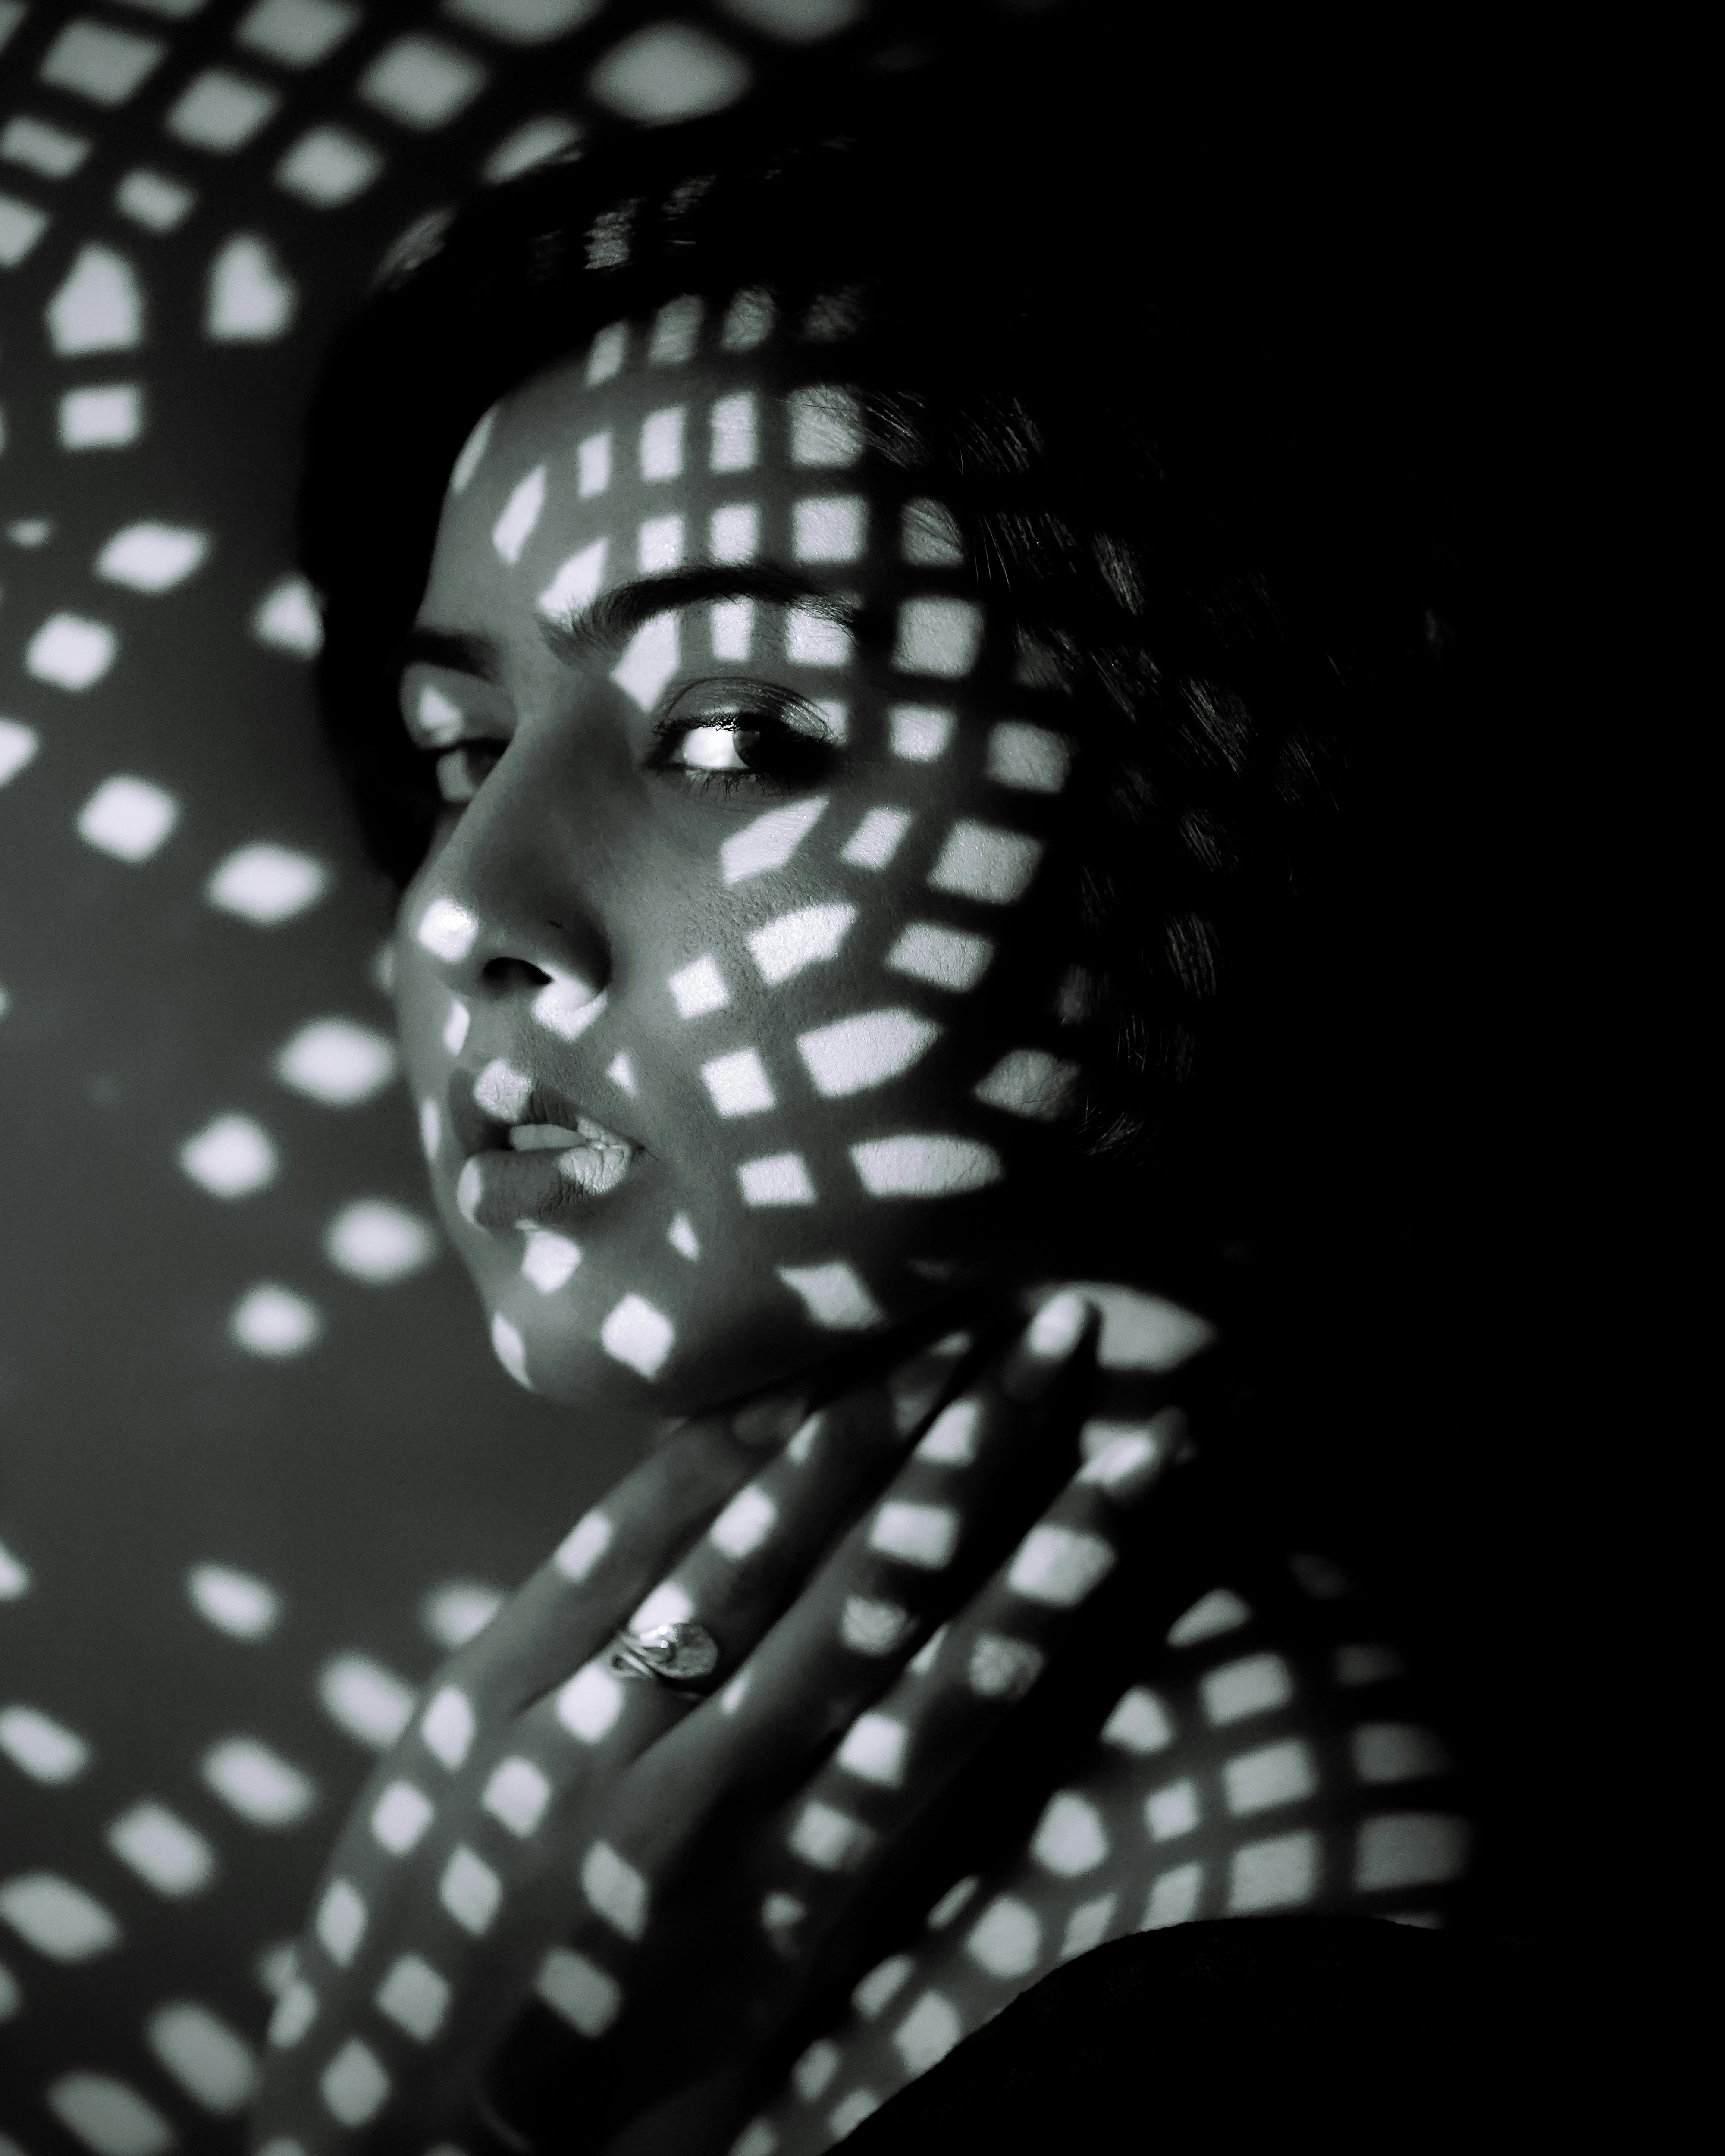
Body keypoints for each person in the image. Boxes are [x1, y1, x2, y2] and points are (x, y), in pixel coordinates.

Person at [249, 71, 1502, 2156]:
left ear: (1230, 802)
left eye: (734, 730)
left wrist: (390, 2114)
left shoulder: (1303, 1987)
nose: (468, 903)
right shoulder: (814, 1856)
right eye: (462, 748)